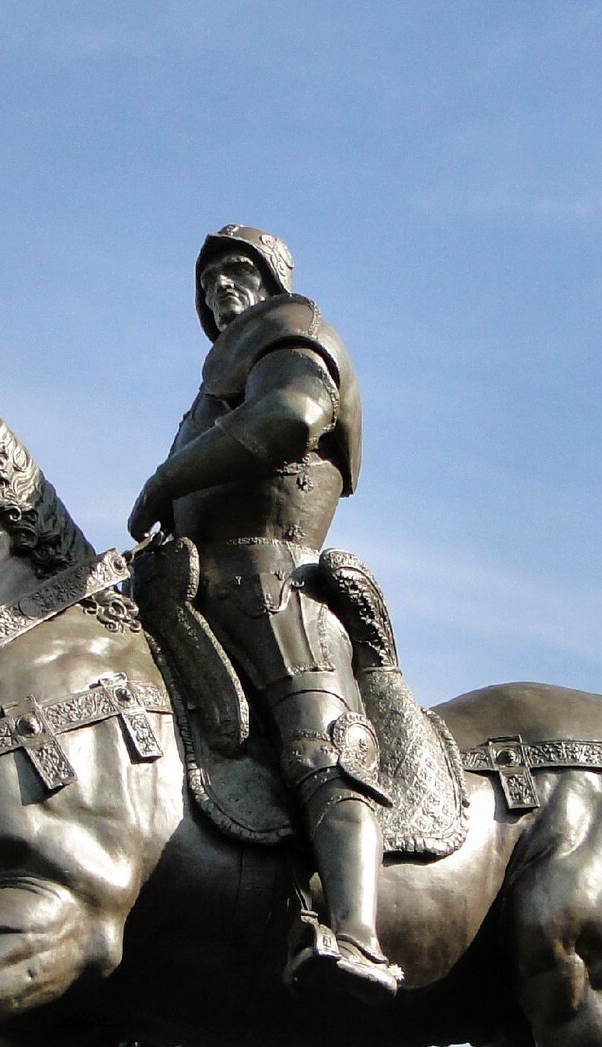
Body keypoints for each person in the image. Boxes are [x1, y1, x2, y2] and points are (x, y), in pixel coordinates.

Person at [128, 225, 400, 1001]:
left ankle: (357, 935)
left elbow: (288, 417)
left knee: (323, 746)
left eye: (236, 270)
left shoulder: (294, 331)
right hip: (183, 584)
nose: (218, 286)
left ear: (272, 280)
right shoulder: (210, 383)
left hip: (270, 576)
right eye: (207, 278)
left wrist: (161, 481)